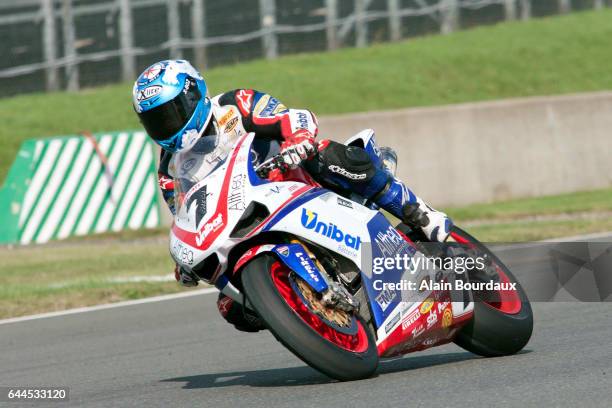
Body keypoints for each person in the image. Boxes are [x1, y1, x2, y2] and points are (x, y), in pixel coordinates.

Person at [133, 60, 452, 332]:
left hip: (297, 181)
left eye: (170, 113)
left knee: (322, 153)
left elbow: (292, 116)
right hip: (246, 220)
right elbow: (188, 217)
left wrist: (297, 139)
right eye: (155, 121)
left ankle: (419, 213)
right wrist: (187, 262)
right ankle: (310, 318)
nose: (165, 126)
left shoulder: (234, 105)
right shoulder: (169, 172)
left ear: (193, 95)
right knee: (230, 307)